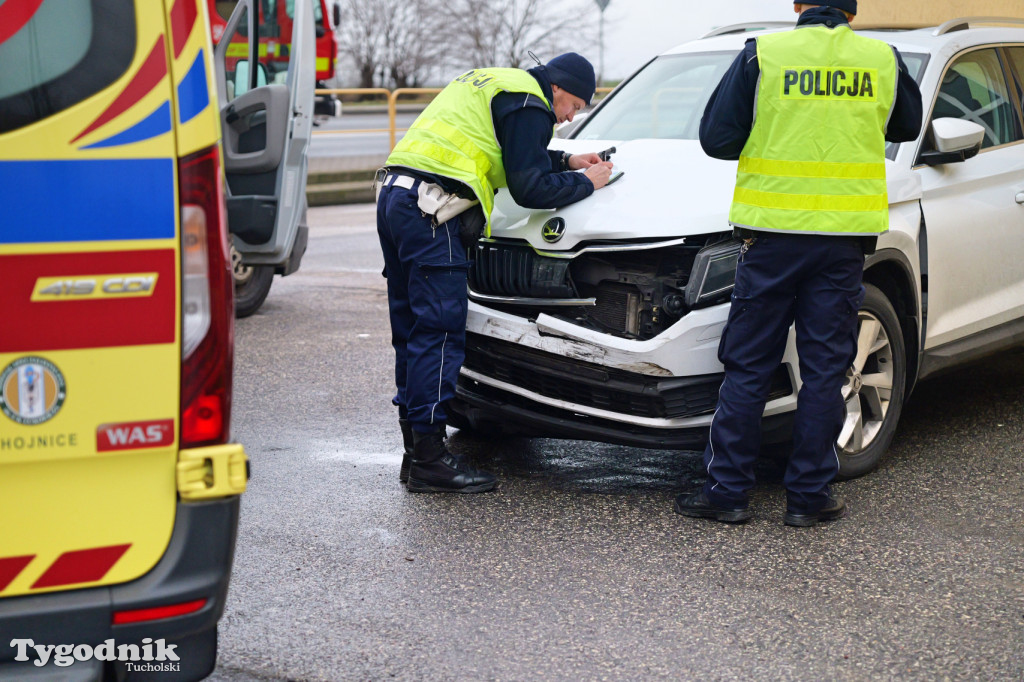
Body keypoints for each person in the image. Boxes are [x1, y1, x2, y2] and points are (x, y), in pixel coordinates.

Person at [675, 0, 923, 526]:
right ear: (852, 10)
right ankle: (809, 498)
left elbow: (717, 140)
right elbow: (905, 126)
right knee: (826, 368)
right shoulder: (882, 58)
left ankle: (727, 494)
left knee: (748, 366)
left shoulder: (763, 53)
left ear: (796, 5)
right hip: (842, 241)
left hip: (770, 239)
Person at [376, 53, 615, 493]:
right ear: (558, 88)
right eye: (573, 107)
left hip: (396, 198)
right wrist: (589, 183)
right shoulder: (531, 102)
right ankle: (430, 462)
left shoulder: (497, 82)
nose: (566, 119)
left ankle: (416, 453)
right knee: (440, 333)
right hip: (434, 212)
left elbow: (503, 155)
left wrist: (565, 162)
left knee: (411, 332)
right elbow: (529, 189)